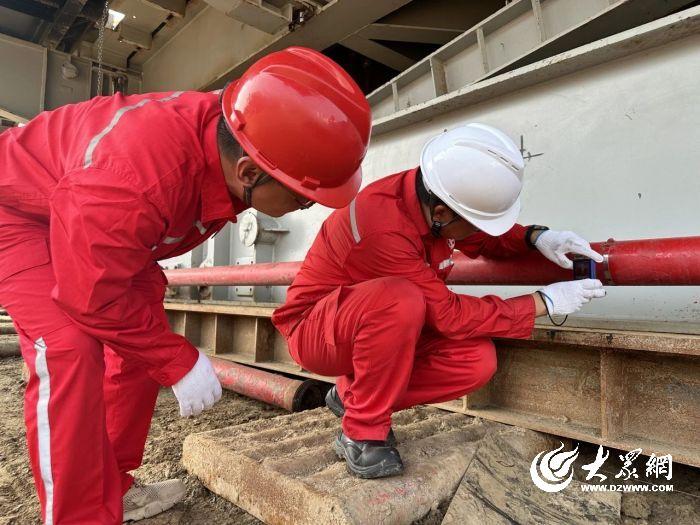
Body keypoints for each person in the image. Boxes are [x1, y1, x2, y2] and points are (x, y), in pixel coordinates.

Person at [0, 47, 370, 523]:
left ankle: (112, 485)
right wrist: (177, 360)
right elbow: (88, 295)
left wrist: (163, 352)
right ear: (250, 174)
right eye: (301, 198)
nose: (306, 208)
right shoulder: (133, 175)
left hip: (78, 209)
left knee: (140, 326)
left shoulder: (232, 135)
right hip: (18, 212)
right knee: (69, 346)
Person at [272, 123, 606, 479]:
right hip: (317, 331)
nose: (479, 233)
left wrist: (535, 237)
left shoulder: (434, 198)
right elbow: (449, 316)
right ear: (442, 215)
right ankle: (361, 432)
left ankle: (351, 393)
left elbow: (481, 240)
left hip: (374, 328)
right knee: (400, 300)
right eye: (478, 224)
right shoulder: (383, 226)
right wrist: (543, 302)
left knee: (476, 361)